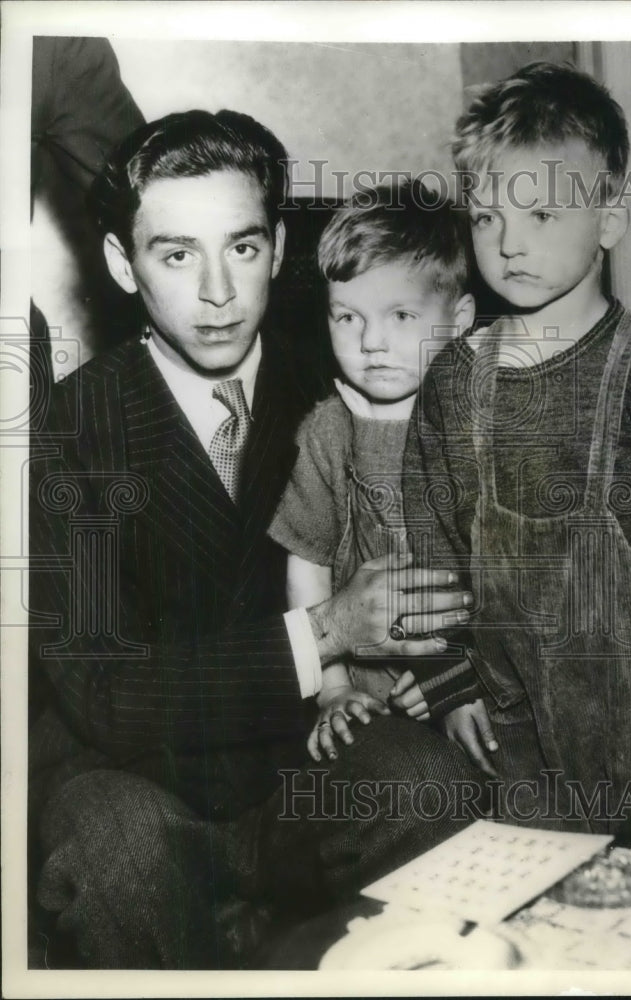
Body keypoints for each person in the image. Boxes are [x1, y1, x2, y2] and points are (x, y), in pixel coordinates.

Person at [27, 110, 489, 969]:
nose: (217, 293)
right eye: (176, 254)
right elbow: (105, 695)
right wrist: (329, 633)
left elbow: (495, 452)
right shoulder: (66, 426)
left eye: (241, 248)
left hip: (296, 767)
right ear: (123, 267)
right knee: (117, 850)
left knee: (429, 784)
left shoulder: (343, 366)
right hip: (132, 779)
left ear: (278, 249)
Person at [404, 63, 631, 832]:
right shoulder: (453, 381)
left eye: (541, 214)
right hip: (509, 726)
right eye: (486, 218)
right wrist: (450, 683)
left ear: (609, 220)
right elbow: (432, 550)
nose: (508, 244)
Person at [268, 180, 495, 765]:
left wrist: (459, 675)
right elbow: (309, 567)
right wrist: (335, 688)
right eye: (347, 317)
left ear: (461, 317)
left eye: (400, 314)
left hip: (478, 680)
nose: (372, 342)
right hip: (370, 695)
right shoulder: (324, 431)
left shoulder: (486, 422)